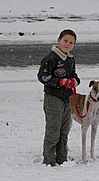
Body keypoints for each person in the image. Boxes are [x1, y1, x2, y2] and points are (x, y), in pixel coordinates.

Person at [37, 29, 80, 166]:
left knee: (64, 130)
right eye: (65, 41)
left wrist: (75, 81)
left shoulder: (70, 59)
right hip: (53, 98)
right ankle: (49, 160)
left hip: (66, 99)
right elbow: (43, 77)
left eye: (71, 43)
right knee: (53, 130)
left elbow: (74, 75)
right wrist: (60, 82)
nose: (67, 44)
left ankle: (62, 158)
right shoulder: (51, 58)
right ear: (58, 40)